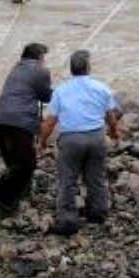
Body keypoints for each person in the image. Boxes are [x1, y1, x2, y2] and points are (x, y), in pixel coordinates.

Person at [38, 49, 122, 236]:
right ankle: (98, 213)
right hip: (96, 137)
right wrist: (114, 132)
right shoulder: (101, 88)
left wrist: (42, 141)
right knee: (96, 177)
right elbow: (111, 115)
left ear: (71, 69)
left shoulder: (60, 91)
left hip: (71, 140)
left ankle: (68, 219)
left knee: (67, 179)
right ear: (88, 68)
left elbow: (50, 121)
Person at [0, 42, 52, 213]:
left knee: (14, 164)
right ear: (39, 58)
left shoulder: (15, 69)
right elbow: (46, 97)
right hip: (19, 122)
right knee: (27, 165)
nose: (44, 61)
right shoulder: (41, 70)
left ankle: (12, 199)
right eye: (44, 58)